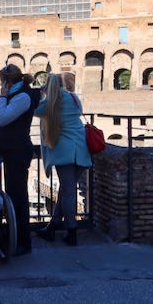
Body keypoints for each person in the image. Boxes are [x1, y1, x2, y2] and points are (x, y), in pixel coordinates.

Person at [0, 64, 40, 256]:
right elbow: (3, 118)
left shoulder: (23, 96)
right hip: (11, 151)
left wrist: (2, 96)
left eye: (2, 81)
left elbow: (4, 118)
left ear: (7, 81)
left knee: (19, 197)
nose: (1, 85)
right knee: (12, 195)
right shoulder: (18, 95)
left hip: (17, 151)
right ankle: (14, 235)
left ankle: (24, 241)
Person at [34, 74, 92, 246]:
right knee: (67, 190)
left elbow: (35, 111)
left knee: (68, 192)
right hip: (81, 149)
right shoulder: (74, 98)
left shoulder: (51, 102)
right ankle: (52, 227)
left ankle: (71, 231)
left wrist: (43, 95)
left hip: (64, 152)